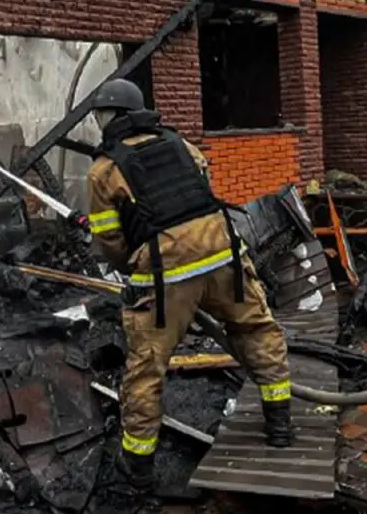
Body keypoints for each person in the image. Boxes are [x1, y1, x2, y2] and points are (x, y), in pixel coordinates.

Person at [84, 78, 295, 494]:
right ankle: (280, 425)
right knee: (256, 330)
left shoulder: (103, 171)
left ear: (109, 117)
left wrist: (134, 268)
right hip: (224, 254)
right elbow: (199, 196)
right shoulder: (182, 145)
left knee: (146, 368)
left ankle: (138, 468)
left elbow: (110, 241)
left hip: (166, 275)